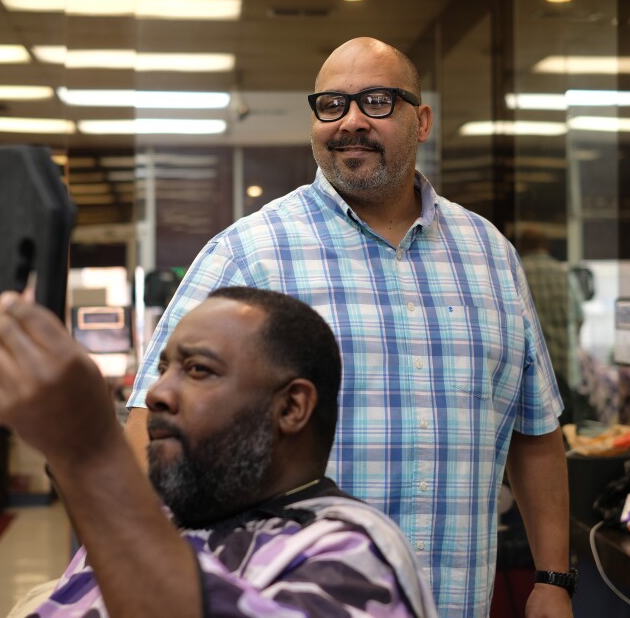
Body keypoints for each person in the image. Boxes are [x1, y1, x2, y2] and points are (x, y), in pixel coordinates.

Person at [123, 37, 573, 616]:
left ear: (422, 120)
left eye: (377, 101)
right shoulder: (248, 255)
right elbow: (150, 426)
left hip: (457, 601)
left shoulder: (490, 255)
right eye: (331, 105)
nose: (351, 122)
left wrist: (553, 577)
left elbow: (533, 430)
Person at [0, 286, 437, 617]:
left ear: (291, 407)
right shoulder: (167, 516)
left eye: (197, 370)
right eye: (163, 369)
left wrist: (91, 453)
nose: (157, 392)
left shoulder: (351, 553)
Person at [517, 226, 587, 426]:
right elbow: (579, 319)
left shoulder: (518, 271)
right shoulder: (564, 274)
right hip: (564, 369)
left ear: (522, 246)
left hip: (532, 377)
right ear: (545, 246)